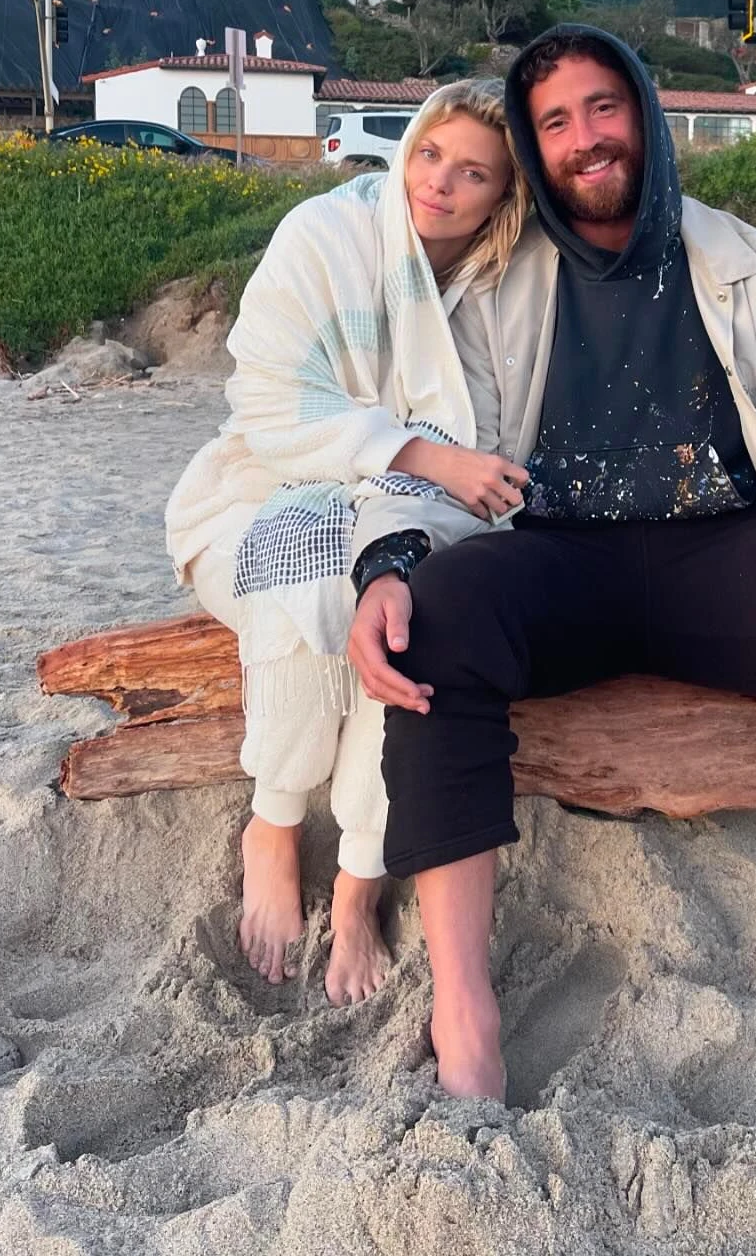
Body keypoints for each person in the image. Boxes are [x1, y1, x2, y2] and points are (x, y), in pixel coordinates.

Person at [345, 25, 756, 1143]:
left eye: (603, 107)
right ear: (533, 145)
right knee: (433, 618)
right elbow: (423, 441)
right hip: (557, 556)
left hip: (725, 556)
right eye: (554, 121)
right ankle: (465, 1000)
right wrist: (385, 562)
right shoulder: (497, 280)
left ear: (646, 114)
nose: (584, 137)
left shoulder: (749, 263)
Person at [165, 80, 531, 1004]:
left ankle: (362, 880)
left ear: (504, 194)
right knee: (314, 571)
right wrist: (418, 456)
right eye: (428, 154)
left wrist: (419, 489)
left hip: (419, 509)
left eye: (472, 172)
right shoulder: (326, 234)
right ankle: (275, 824)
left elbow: (498, 440)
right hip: (260, 492)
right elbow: (268, 402)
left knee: (410, 624)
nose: (438, 183)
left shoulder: (502, 284)